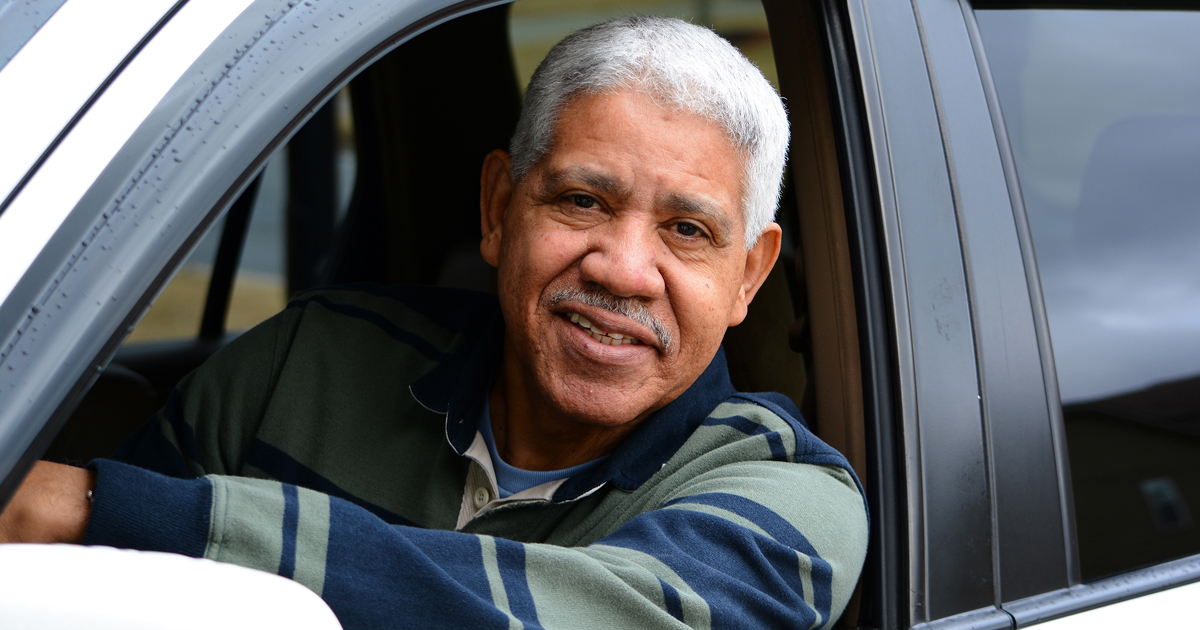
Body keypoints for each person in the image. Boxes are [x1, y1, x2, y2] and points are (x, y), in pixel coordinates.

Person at [0, 15, 868, 629]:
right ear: (498, 209)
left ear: (749, 273)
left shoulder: (792, 500)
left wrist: (93, 510)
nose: (623, 267)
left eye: (687, 229)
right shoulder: (307, 359)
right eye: (580, 200)